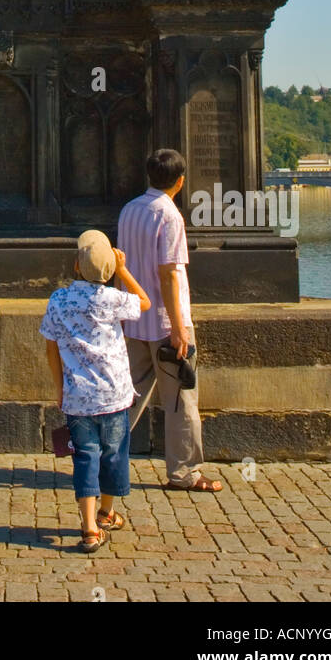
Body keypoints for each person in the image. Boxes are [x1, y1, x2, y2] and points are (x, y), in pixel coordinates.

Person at [118, 147, 222, 493]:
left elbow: (121, 267)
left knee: (124, 397)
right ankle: (185, 473)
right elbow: (168, 275)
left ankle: (97, 457)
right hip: (164, 323)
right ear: (180, 181)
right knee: (180, 399)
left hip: (134, 318)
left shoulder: (128, 210)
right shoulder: (170, 215)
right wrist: (179, 329)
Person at [40, 230, 151, 553]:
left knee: (85, 456)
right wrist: (124, 270)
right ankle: (106, 512)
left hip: (77, 396)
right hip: (115, 394)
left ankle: (89, 528)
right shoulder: (112, 299)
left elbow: (51, 348)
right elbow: (144, 302)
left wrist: (59, 388)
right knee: (114, 453)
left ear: (76, 266)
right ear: (109, 270)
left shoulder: (59, 300)